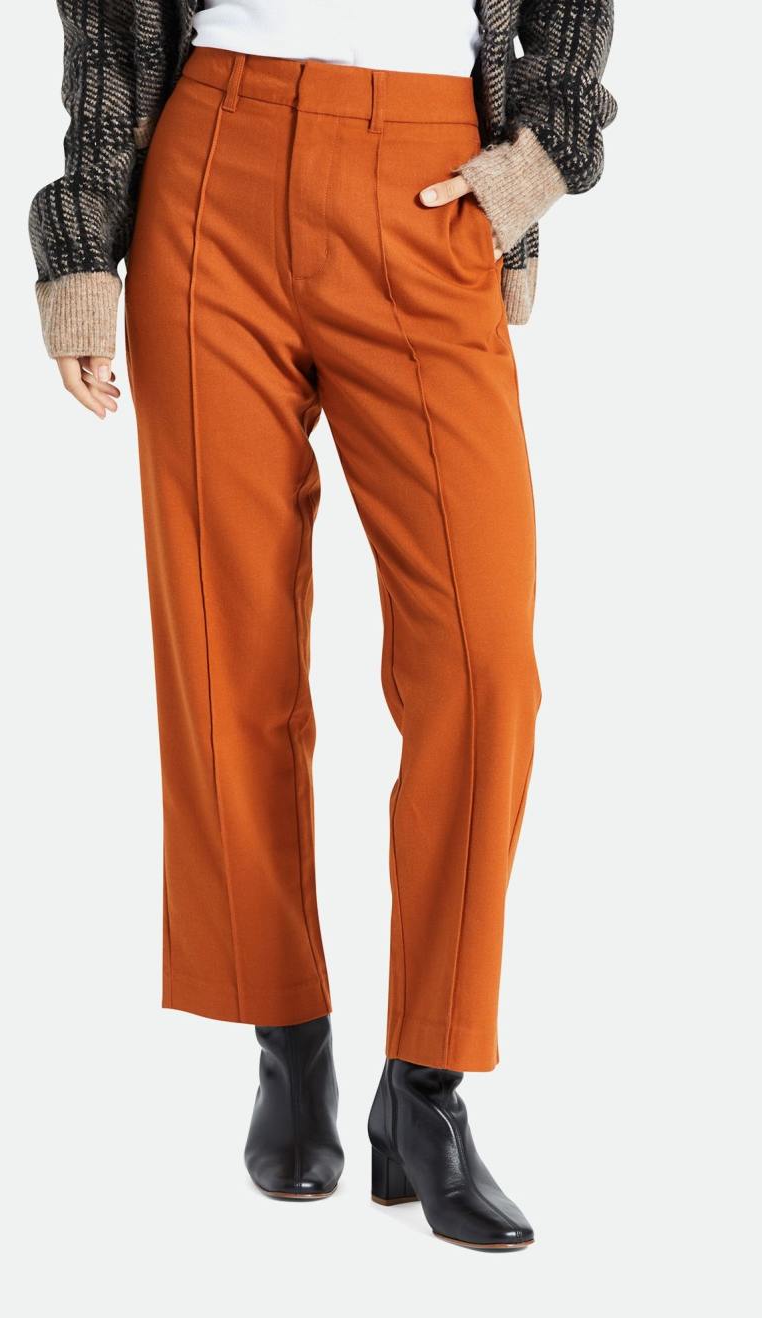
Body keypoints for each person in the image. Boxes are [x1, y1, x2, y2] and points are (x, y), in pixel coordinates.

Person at [30, 0, 615, 1250]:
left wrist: (533, 167)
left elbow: (567, 21)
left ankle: (427, 1088)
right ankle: (287, 1039)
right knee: (223, 644)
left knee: (482, 664)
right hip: (211, 166)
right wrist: (83, 242)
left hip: (427, 176)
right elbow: (113, 27)